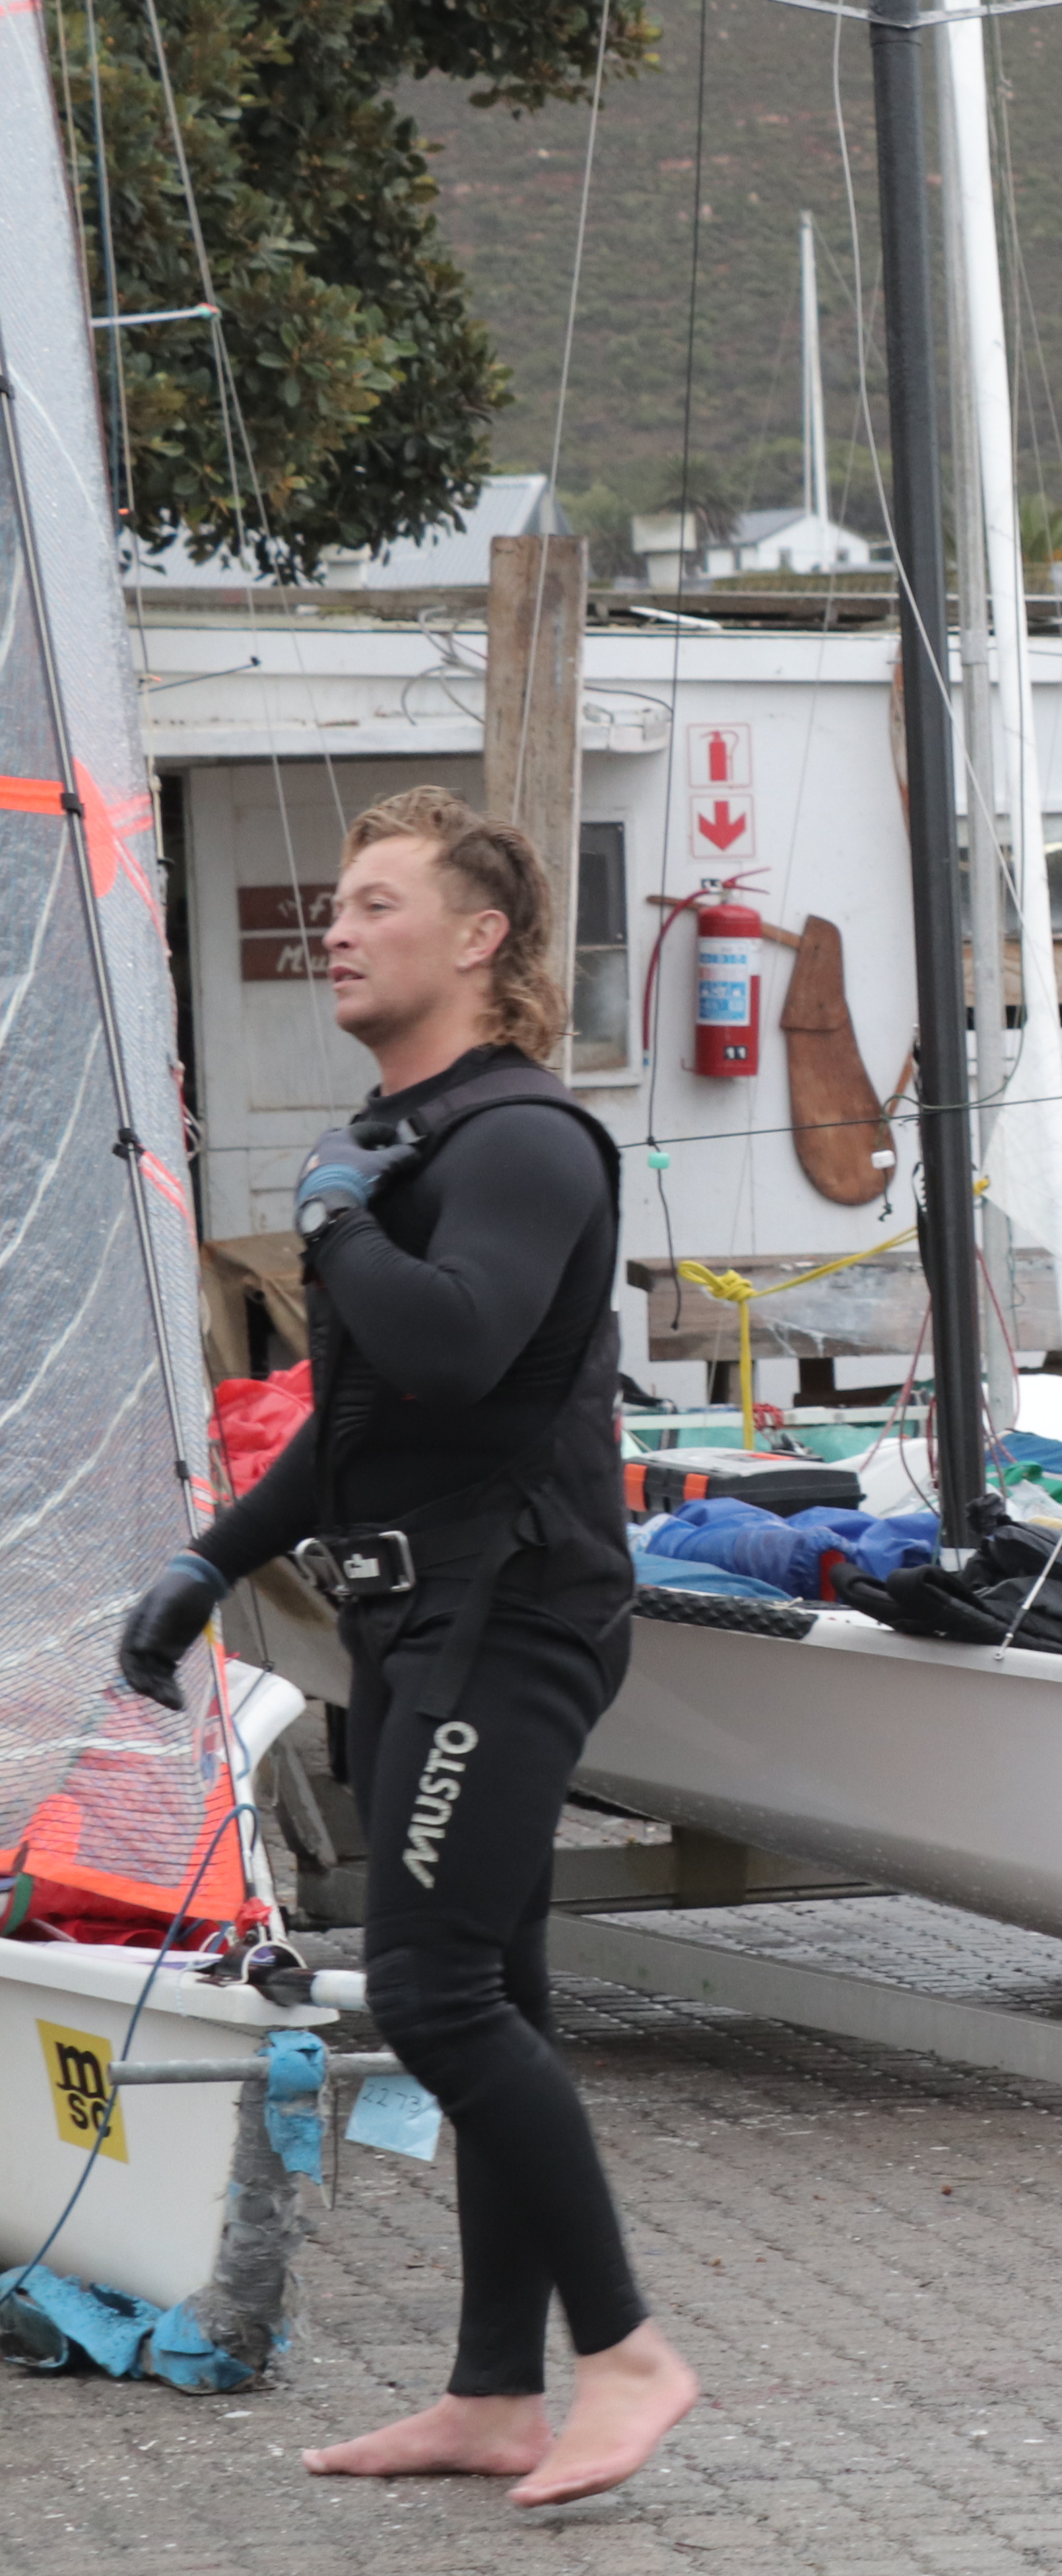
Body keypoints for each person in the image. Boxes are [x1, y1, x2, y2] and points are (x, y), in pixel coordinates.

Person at [112, 788, 691, 2503]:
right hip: (418, 1617)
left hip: (508, 1617)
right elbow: (362, 1425)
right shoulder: (401, 1142)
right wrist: (207, 1565)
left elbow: (450, 1344)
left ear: (481, 937)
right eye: (337, 903)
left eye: (377, 902)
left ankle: (628, 2353)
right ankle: (495, 2395)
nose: (337, 928)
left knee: (436, 1994)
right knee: (497, 1993)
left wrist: (338, 1226)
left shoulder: (518, 1140)